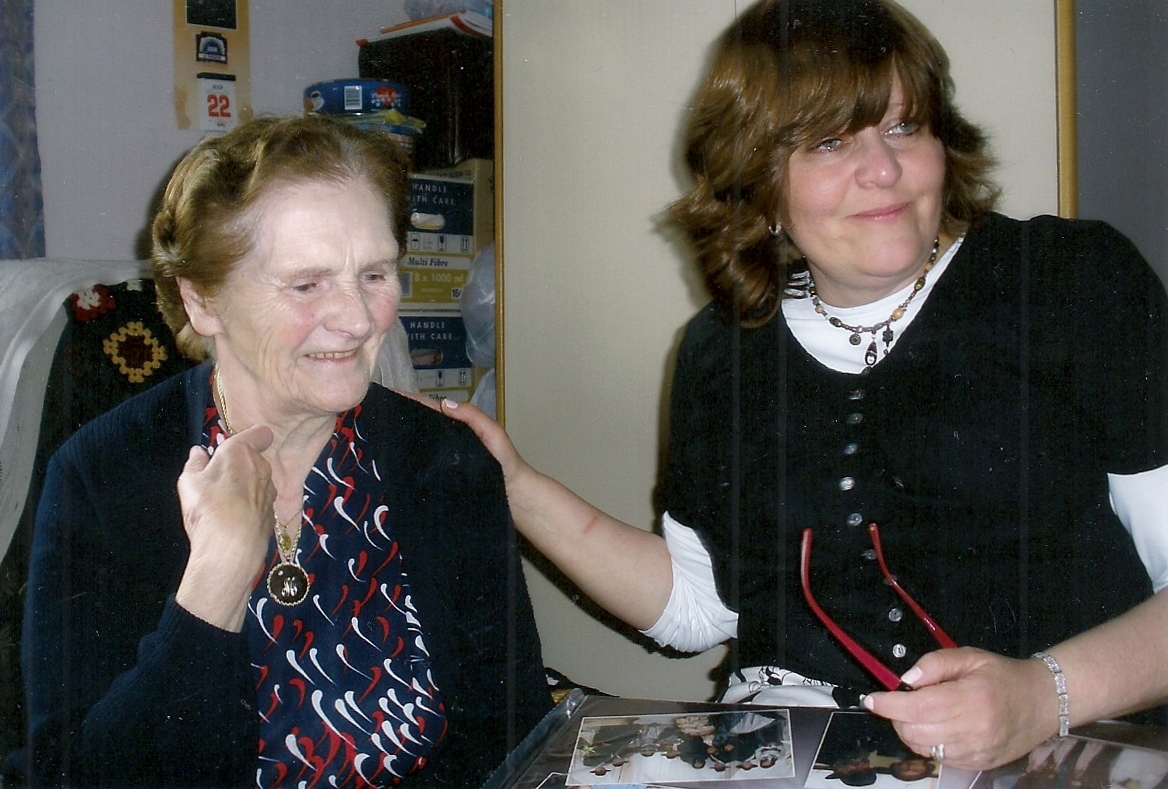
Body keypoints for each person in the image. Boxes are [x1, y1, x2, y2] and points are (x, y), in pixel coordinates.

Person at [440, 0, 1168, 773]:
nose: (882, 169)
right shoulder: (720, 350)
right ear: (757, 179)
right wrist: (515, 485)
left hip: (1065, 742)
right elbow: (698, 606)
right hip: (787, 751)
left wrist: (1041, 693)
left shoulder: (1070, 281)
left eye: (905, 126)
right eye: (828, 142)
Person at [16, 115, 550, 788]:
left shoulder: (444, 460)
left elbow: (519, 732)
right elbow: (72, 776)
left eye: (376, 274)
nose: (360, 320)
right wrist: (212, 587)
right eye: (308, 284)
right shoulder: (100, 477)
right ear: (201, 298)